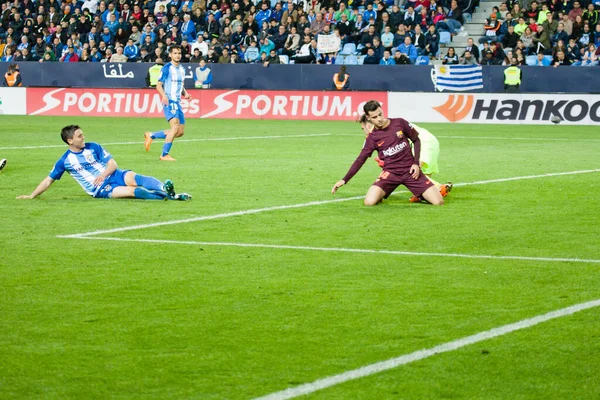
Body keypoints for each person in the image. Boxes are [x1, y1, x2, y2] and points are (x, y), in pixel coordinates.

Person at [17, 125, 191, 201]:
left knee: (135, 177)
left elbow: (113, 164)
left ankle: (166, 190)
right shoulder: (65, 161)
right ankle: (170, 197)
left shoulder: (94, 147)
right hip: (99, 189)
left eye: (82, 134)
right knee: (132, 192)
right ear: (70, 141)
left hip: (113, 174)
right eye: (79, 136)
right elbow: (49, 179)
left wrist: (103, 174)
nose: (83, 137)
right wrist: (32, 195)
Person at [331, 100, 445, 206]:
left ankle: (421, 194)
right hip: (390, 173)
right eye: (374, 117)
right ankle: (381, 192)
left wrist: (416, 163)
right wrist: (345, 179)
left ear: (382, 110)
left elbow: (416, 140)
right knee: (369, 202)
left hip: (410, 171)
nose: (379, 119)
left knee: (438, 202)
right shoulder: (372, 138)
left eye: (380, 114)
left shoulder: (399, 123)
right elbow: (360, 159)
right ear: (368, 118)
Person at [360, 114, 453, 203]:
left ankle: (439, 188)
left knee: (410, 170)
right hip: (431, 140)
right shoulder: (389, 122)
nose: (363, 131)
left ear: (368, 125)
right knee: (421, 173)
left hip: (423, 143)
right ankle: (422, 194)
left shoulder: (376, 133)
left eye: (362, 128)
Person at [143, 45, 192, 161]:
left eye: (179, 53)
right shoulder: (166, 68)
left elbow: (181, 86)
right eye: (175, 53)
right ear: (170, 55)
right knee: (174, 126)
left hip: (178, 101)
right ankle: (164, 154)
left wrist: (185, 93)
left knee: (179, 132)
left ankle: (151, 135)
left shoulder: (182, 69)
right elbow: (158, 85)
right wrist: (164, 95)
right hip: (170, 100)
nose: (177, 55)